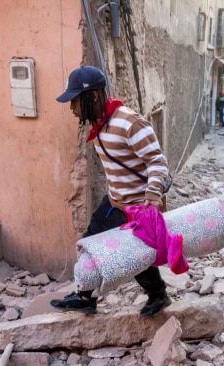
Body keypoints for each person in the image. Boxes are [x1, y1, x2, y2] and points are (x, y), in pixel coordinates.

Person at [50, 66, 172, 317]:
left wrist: (152, 196)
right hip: (114, 201)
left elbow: (157, 162)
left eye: (74, 101)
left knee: (134, 256)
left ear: (93, 96)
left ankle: (158, 295)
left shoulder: (130, 123)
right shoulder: (100, 124)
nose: (72, 109)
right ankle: (86, 297)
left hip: (137, 206)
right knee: (89, 243)